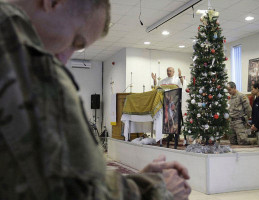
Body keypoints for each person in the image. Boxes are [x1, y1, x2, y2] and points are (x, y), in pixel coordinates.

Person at [0, 0, 191, 199]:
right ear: (54, 3)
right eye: (76, 41)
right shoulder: (29, 64)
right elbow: (74, 193)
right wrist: (155, 190)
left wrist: (136, 182)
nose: (65, 58)